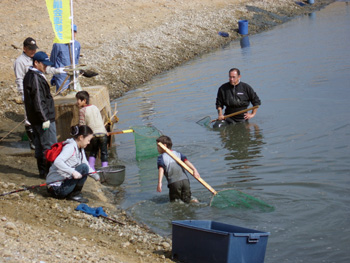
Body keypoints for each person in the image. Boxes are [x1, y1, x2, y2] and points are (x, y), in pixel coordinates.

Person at [13, 37, 65, 149]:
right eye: (30, 49)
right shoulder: (20, 62)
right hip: (29, 93)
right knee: (29, 118)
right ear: (24, 49)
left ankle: (37, 142)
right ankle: (33, 141)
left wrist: (59, 71)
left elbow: (47, 69)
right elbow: (19, 79)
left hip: (36, 92)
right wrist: (23, 94)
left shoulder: (38, 61)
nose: (32, 51)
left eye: (34, 49)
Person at [23, 51, 58, 178]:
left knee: (39, 146)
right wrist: (45, 119)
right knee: (49, 147)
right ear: (36, 63)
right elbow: (38, 100)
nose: (46, 67)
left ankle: (43, 172)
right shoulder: (35, 78)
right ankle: (50, 173)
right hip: (43, 118)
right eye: (44, 64)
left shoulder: (31, 75)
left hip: (35, 119)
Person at [46, 125, 100, 203]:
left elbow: (85, 163)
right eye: (88, 140)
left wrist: (95, 175)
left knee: (84, 167)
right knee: (83, 168)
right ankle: (75, 194)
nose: (89, 143)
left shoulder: (80, 148)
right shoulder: (70, 147)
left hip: (63, 184)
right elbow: (58, 161)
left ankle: (73, 193)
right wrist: (73, 172)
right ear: (81, 137)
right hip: (56, 189)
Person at [156, 135, 200, 203]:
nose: (157, 148)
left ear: (164, 146)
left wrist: (159, 183)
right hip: (185, 181)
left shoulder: (161, 158)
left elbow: (161, 170)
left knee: (175, 202)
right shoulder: (178, 154)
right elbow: (186, 161)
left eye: (158, 146)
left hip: (174, 183)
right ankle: (193, 201)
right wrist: (195, 170)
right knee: (187, 199)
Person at [76, 91, 108, 170]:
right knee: (104, 152)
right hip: (103, 133)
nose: (77, 102)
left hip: (93, 135)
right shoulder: (95, 107)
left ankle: (91, 168)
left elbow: (82, 125)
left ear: (84, 100)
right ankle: (105, 169)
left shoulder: (82, 111)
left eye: (78, 100)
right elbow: (100, 120)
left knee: (93, 151)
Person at [50, 24, 81, 93]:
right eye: (71, 31)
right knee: (63, 95)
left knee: (75, 94)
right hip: (62, 75)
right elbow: (53, 59)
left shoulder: (77, 45)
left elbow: (77, 58)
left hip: (74, 74)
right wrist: (54, 74)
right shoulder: (58, 44)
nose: (73, 34)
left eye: (74, 32)